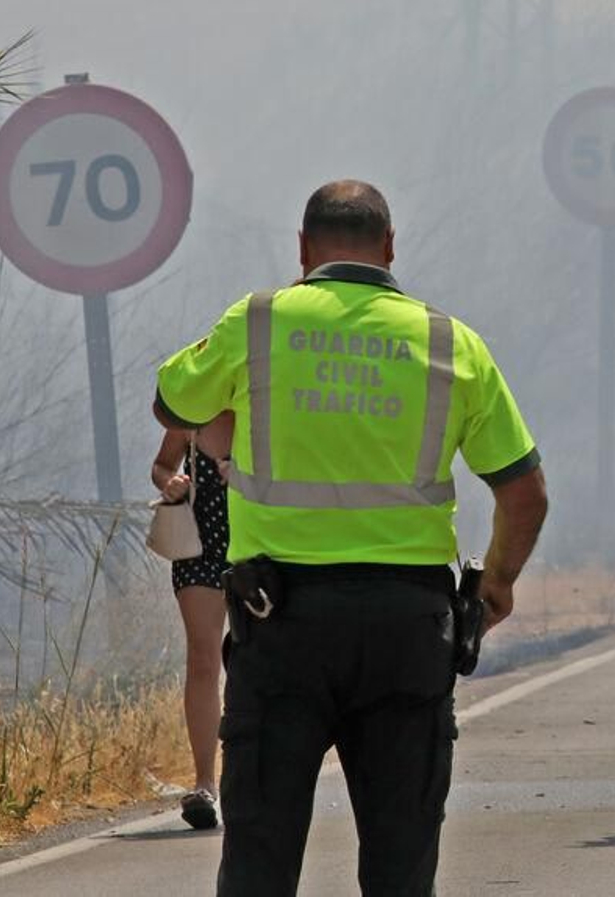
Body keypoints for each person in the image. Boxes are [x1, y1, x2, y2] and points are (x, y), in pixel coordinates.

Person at [153, 179, 547, 896]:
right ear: (391, 248)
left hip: (281, 626)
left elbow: (174, 402)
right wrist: (495, 584)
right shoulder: (449, 341)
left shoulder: (260, 320)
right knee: (402, 866)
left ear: (302, 250)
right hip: (408, 627)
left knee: (258, 862)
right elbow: (524, 491)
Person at [147, 410, 234, 830]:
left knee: (258, 660)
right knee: (203, 658)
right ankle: (205, 784)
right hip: (200, 547)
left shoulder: (269, 403)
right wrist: (171, 483)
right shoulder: (192, 411)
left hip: (264, 546)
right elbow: (162, 464)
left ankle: (251, 771)